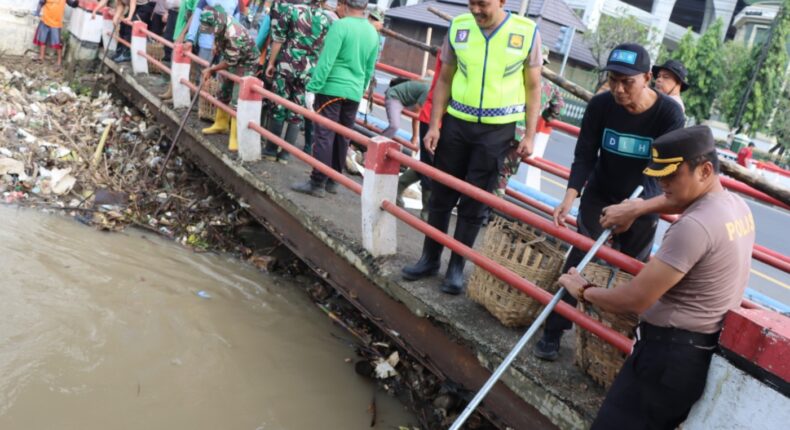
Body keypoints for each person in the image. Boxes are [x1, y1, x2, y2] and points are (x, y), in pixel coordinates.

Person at [566, 125, 755, 429]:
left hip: (666, 357)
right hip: (692, 355)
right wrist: (637, 208)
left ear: (704, 170)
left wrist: (585, 290)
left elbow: (636, 298)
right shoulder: (734, 206)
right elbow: (679, 199)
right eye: (659, 176)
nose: (663, 184)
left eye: (671, 176)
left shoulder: (695, 226)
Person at [533, 43, 686, 361]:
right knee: (581, 258)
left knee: (630, 271)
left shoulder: (669, 114)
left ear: (647, 77)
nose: (618, 89)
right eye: (613, 80)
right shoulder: (601, 105)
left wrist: (634, 209)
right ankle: (553, 330)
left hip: (643, 203)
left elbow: (658, 172)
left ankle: (609, 345)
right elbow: (585, 153)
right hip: (601, 195)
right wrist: (569, 196)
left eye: (626, 82)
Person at [401, 0, 542, 295]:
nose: (476, 10)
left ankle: (456, 269)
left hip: (497, 131)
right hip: (456, 124)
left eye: (483, 4)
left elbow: (533, 87)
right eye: (472, 2)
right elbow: (444, 79)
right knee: (441, 194)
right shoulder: (459, 27)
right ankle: (429, 259)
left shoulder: (527, 32)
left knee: (474, 202)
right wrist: (436, 124)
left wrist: (530, 135)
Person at [290, 0, 379, 197]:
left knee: (325, 134)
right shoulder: (373, 32)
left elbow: (326, 60)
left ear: (346, 5)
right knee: (343, 135)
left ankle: (317, 182)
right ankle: (333, 180)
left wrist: (312, 88)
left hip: (332, 88)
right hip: (354, 91)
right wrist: (360, 89)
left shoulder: (340, 25)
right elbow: (370, 67)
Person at [261, 0, 330, 164]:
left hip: (287, 66)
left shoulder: (292, 11)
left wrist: (271, 63)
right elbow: (323, 49)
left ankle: (271, 150)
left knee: (278, 106)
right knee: (297, 112)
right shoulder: (327, 20)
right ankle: (285, 155)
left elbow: (279, 39)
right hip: (308, 71)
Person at [494, 45, 564, 198]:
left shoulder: (515, 77)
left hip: (500, 129)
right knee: (502, 176)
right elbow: (557, 110)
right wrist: (546, 115)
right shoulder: (549, 87)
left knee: (485, 169)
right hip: (522, 137)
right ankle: (489, 210)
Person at [197, 7, 260, 151]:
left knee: (237, 98)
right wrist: (217, 45)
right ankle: (221, 124)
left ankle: (235, 137)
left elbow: (231, 61)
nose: (211, 31)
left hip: (246, 61)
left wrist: (212, 69)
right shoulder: (219, 20)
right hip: (231, 56)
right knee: (223, 90)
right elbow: (218, 34)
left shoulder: (234, 33)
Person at [395, 57, 443, 221]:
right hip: (435, 118)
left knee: (431, 163)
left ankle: (399, 185)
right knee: (431, 163)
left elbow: (431, 72)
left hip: (443, 119)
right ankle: (427, 209)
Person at [381, 79, 430, 147]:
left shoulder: (430, 85)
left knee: (394, 126)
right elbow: (416, 112)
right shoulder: (428, 90)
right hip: (395, 97)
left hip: (402, 99)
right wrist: (415, 136)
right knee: (394, 126)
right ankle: (378, 145)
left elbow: (429, 71)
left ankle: (380, 144)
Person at [33, 0, 67, 67]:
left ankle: (59, 62)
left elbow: (73, 3)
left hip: (56, 23)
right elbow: (41, 2)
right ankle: (41, 57)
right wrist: (37, 13)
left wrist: (77, 2)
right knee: (42, 39)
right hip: (45, 19)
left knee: (57, 43)